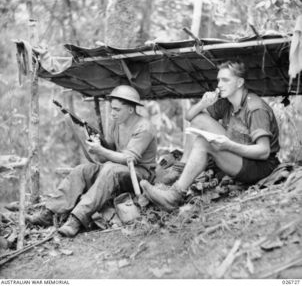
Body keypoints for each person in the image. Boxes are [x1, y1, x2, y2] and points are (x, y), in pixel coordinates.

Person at [141, 61, 280, 211]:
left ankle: (174, 195)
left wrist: (229, 145)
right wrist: (202, 103)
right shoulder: (226, 103)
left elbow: (264, 151)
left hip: (260, 166)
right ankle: (180, 170)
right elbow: (191, 117)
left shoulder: (255, 108)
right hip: (240, 152)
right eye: (219, 80)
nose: (219, 84)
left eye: (225, 80)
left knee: (203, 143)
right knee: (199, 119)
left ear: (240, 82)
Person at [28, 85, 157, 237]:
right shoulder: (117, 124)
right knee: (82, 170)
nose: (112, 113)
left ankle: (76, 220)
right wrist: (96, 146)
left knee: (109, 170)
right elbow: (106, 156)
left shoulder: (145, 127)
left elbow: (128, 158)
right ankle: (49, 213)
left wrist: (101, 150)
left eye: (117, 110)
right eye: (112, 109)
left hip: (140, 175)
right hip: (116, 169)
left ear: (130, 109)